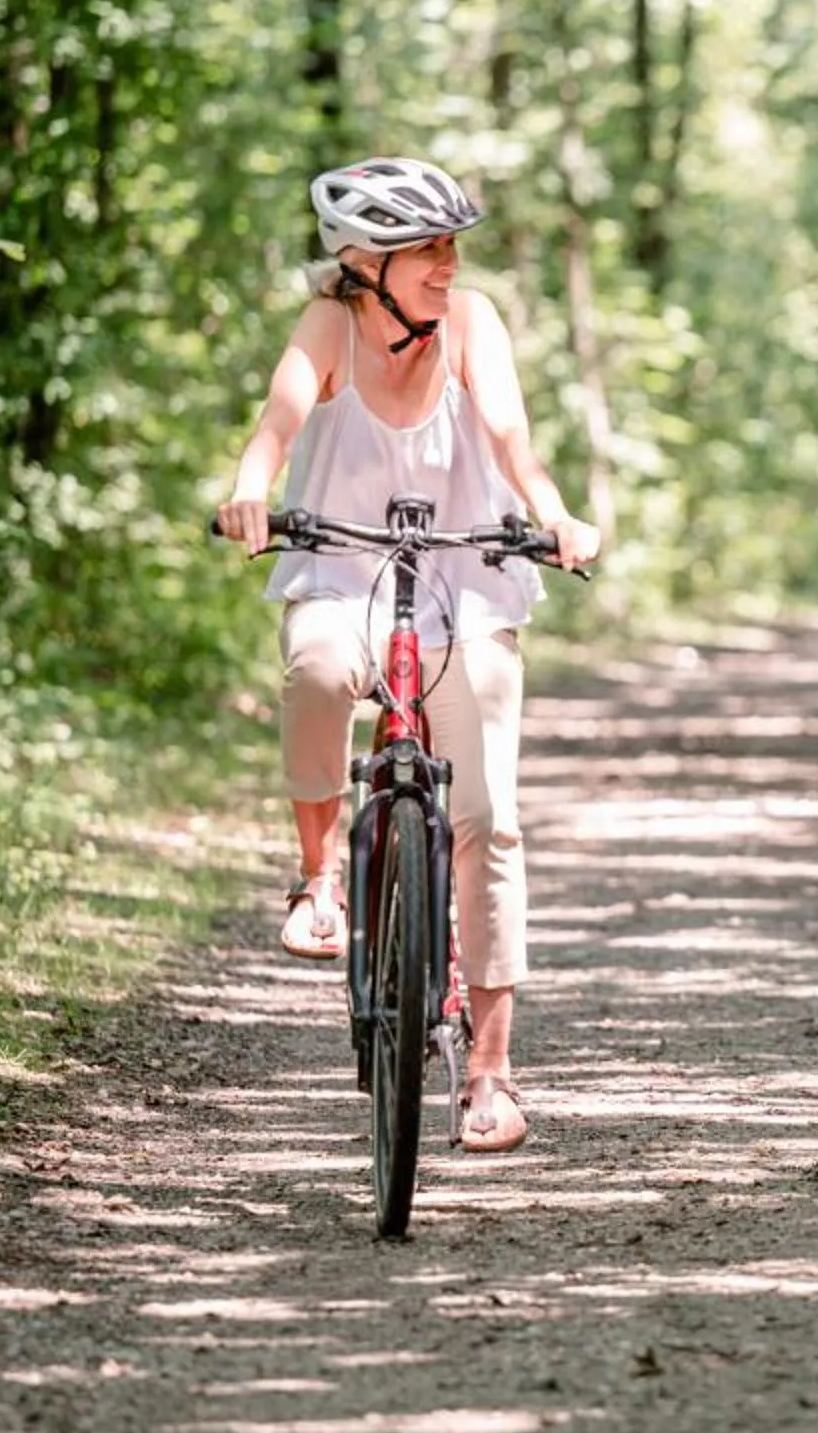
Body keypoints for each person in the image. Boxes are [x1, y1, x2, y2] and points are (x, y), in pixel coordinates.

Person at [215, 157, 601, 1155]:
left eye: (449, 246)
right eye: (426, 248)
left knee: (486, 818)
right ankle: (318, 879)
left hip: (468, 577)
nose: (447, 263)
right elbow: (277, 423)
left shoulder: (471, 326)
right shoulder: (327, 328)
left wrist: (551, 513)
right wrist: (251, 487)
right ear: (363, 261)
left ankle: (491, 1070)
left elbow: (514, 438)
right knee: (316, 671)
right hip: (343, 570)